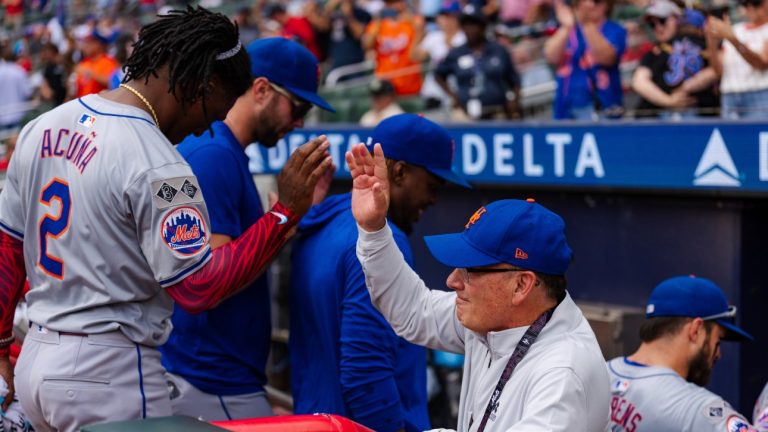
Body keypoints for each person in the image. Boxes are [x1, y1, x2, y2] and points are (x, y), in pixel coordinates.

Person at [0, 7, 332, 431]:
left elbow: (7, 248)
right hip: (108, 370)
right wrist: (284, 213)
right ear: (202, 85)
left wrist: (1, 343)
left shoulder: (45, 124)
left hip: (37, 360)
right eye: (216, 109)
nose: (205, 128)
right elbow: (198, 287)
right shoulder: (158, 159)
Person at [346, 143, 611, 431]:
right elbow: (413, 311)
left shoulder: (563, 372)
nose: (453, 281)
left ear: (521, 285)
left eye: (470, 270)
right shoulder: (495, 319)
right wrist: (374, 230)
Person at [160, 37, 336, 421]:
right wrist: (283, 217)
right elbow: (209, 283)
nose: (300, 121)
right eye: (299, 105)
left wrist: (289, 218)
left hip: (214, 374)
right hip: (209, 377)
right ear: (261, 89)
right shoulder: (214, 154)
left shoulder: (221, 149)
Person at [290, 113, 469, 432]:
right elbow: (365, 370)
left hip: (314, 418)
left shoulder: (325, 219)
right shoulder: (382, 241)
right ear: (399, 172)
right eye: (432, 185)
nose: (433, 199)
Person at [606, 275, 755, 431]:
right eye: (718, 341)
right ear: (696, 330)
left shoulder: (601, 373)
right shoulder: (702, 407)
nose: (718, 354)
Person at [632, 0, 719, 119]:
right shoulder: (654, 52)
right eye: (652, 24)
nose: (658, 28)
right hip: (661, 117)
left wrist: (686, 87)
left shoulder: (701, 43)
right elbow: (639, 82)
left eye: (662, 21)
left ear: (676, 19)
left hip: (701, 114)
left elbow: (716, 70)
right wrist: (669, 101)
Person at [435, 4, 521, 120]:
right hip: (467, 113)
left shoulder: (498, 50)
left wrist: (514, 100)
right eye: (466, 25)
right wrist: (453, 96)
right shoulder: (456, 53)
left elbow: (514, 80)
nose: (470, 29)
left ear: (483, 26)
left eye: (474, 24)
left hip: (497, 111)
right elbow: (438, 75)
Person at [544, 0, 626, 120]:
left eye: (596, 1)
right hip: (566, 106)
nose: (590, 5)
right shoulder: (570, 30)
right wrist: (567, 26)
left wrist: (587, 24)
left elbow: (607, 58)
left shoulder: (614, 29)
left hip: (602, 107)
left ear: (606, 5)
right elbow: (550, 56)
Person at [707, 0, 768, 119]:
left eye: (756, 3)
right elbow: (718, 72)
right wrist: (712, 44)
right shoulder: (735, 29)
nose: (750, 7)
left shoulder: (732, 33)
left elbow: (762, 64)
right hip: (729, 96)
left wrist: (732, 39)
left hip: (759, 94)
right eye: (745, 3)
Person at [363, 0, 425, 96]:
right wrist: (378, 23)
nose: (392, 6)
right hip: (385, 87)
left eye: (396, 2)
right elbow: (367, 45)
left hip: (410, 84)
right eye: (389, 3)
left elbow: (423, 34)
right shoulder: (378, 24)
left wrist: (410, 20)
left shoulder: (412, 21)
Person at [73, 26, 118, 98]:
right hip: (82, 104)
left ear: (98, 44)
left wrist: (89, 73)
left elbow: (113, 83)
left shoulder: (108, 61)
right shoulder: (85, 62)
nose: (85, 46)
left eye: (88, 42)